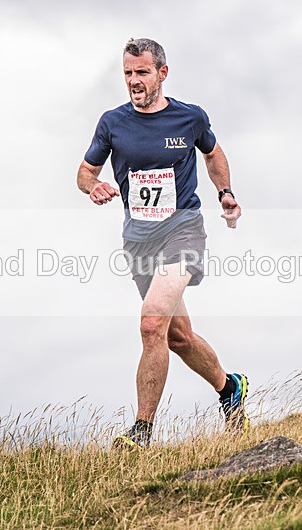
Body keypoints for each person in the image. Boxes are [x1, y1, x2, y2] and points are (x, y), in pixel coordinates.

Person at [77, 38, 247, 449]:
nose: (134, 81)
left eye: (142, 73)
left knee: (151, 323)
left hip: (183, 229)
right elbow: (84, 172)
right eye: (128, 74)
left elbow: (213, 154)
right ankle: (230, 388)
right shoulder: (112, 123)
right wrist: (93, 187)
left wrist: (225, 192)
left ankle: (141, 431)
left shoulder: (189, 118)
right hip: (139, 241)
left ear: (162, 74)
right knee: (177, 336)